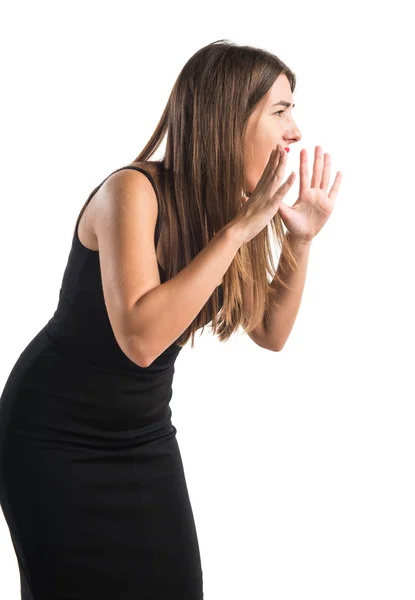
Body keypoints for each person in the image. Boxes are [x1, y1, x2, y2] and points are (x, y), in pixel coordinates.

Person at [0, 39, 341, 600]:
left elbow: (271, 334)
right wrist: (237, 231)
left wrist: (298, 241)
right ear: (229, 116)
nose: (296, 132)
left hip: (143, 437)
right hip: (53, 440)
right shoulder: (131, 191)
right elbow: (140, 339)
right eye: (280, 111)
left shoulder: (227, 206)